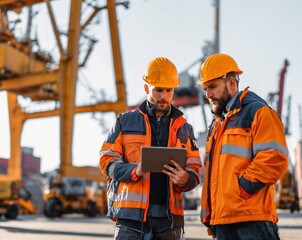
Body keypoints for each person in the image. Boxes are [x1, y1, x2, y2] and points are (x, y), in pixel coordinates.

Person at [99, 57, 202, 240]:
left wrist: (186, 179)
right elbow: (107, 161)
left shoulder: (185, 128)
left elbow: (195, 168)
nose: (164, 96)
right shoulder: (124, 121)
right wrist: (135, 170)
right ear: (146, 88)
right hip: (130, 219)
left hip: (169, 221)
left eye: (169, 90)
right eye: (158, 90)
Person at [197, 53, 289, 240]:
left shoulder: (258, 112)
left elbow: (275, 157)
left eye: (213, 87)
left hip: (252, 221)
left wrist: (242, 189)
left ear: (232, 83)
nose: (208, 95)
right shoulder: (216, 125)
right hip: (222, 221)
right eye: (206, 89)